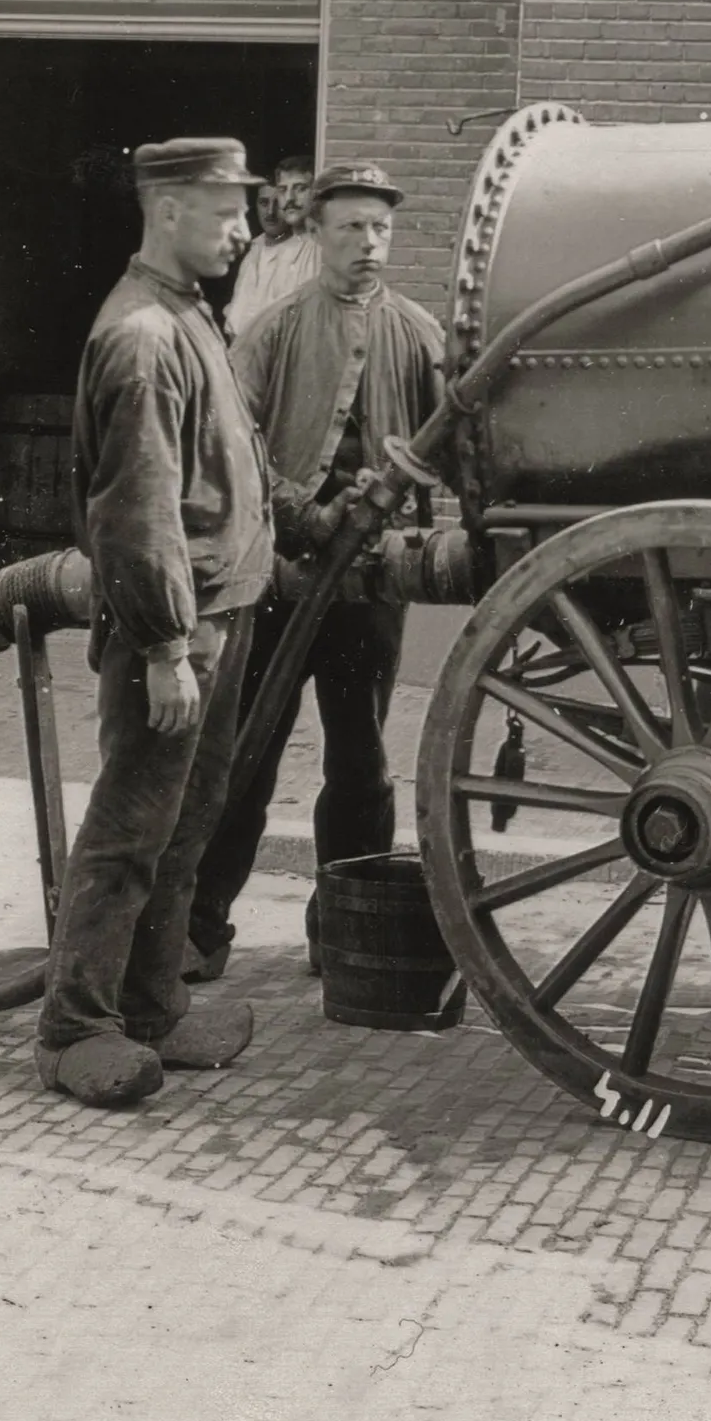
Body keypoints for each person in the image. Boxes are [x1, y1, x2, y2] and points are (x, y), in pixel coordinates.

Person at [38, 136, 275, 1109]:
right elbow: (135, 513)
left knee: (183, 822)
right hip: (177, 630)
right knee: (130, 827)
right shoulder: (140, 335)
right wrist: (166, 647)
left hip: (219, 611)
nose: (243, 229)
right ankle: (73, 1028)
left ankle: (151, 1006)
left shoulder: (186, 312)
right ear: (168, 209)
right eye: (226, 211)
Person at [190, 162, 445, 980]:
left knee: (360, 762)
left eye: (379, 228)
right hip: (278, 579)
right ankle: (196, 931)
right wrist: (303, 513)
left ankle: (343, 935)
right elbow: (229, 444)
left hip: (369, 588)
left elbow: (453, 444)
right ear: (315, 234)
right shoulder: (274, 330)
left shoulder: (419, 334)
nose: (368, 243)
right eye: (350, 227)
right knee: (243, 752)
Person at [224, 152, 318, 337]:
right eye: (283, 190)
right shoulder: (256, 250)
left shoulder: (318, 248)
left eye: (300, 189)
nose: (289, 198)